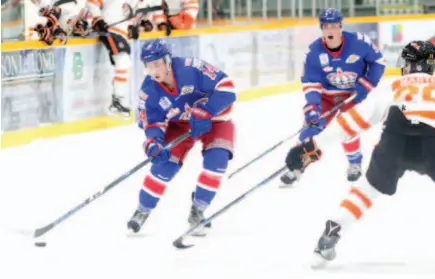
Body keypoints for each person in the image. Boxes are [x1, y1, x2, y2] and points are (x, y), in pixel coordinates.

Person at [285, 40, 435, 267]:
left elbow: (353, 120)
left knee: (367, 190)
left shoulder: (394, 87)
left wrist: (312, 146)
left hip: (395, 137)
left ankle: (333, 229)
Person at [127, 39, 236, 235]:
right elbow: (152, 122)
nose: (154, 71)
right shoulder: (149, 90)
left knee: (217, 160)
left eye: (157, 64)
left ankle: (198, 209)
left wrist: (207, 110)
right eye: (149, 66)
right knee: (164, 164)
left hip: (215, 118)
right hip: (180, 125)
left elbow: (227, 88)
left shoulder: (191, 68)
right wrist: (154, 142)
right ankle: (143, 209)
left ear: (168, 60)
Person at [280, 8, 386, 187]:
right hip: (327, 97)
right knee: (310, 130)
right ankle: (296, 167)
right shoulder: (314, 51)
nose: (330, 30)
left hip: (353, 96)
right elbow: (311, 83)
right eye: (326, 26)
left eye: (334, 26)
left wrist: (366, 85)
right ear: (322, 29)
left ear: (340, 26)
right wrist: (313, 107)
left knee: (347, 127)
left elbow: (378, 62)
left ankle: (354, 163)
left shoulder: (359, 43)